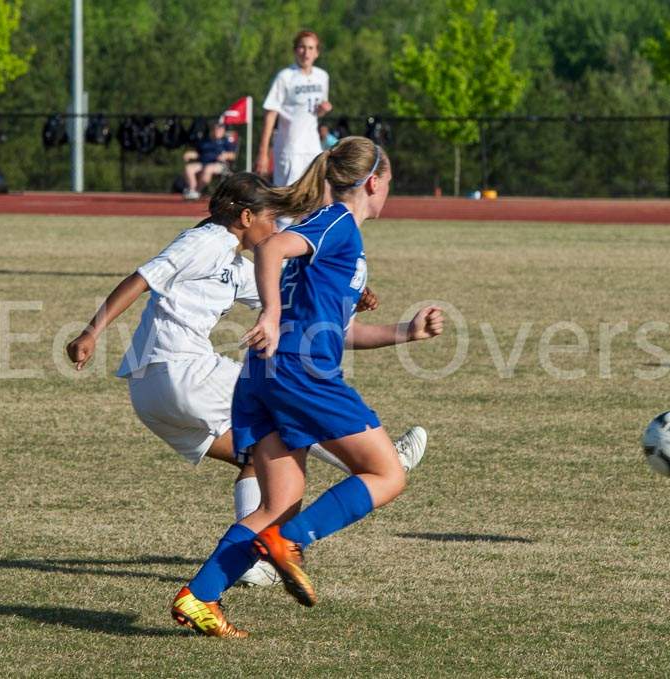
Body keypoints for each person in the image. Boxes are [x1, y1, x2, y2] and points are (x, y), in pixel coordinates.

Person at [65, 171, 428, 588]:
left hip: (152, 397)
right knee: (285, 409)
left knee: (258, 455)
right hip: (181, 371)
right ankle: (383, 460)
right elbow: (141, 279)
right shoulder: (206, 240)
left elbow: (296, 309)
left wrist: (347, 294)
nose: (275, 229)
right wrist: (92, 332)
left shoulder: (239, 267)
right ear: (244, 216)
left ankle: (252, 562)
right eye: (271, 219)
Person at [171, 136, 444, 638]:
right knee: (387, 472)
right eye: (390, 184)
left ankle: (199, 595)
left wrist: (406, 332)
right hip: (301, 373)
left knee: (280, 499)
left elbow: (330, 331)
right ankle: (291, 542)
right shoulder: (337, 221)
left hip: (267, 373)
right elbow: (271, 246)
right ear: (374, 182)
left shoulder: (334, 236)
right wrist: (271, 315)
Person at [255, 30, 332, 187]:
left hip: (312, 145)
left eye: (311, 48)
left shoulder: (322, 76)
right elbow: (270, 114)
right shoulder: (285, 77)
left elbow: (316, 110)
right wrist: (263, 152)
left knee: (315, 193)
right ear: (295, 50)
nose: (306, 52)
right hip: (290, 147)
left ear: (317, 52)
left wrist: (323, 109)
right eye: (302, 47)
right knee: (288, 197)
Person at [183, 122, 237, 200]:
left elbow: (233, 155)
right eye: (216, 129)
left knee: (208, 168)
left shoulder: (226, 141)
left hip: (219, 165)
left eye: (220, 129)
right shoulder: (205, 141)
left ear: (223, 131)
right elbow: (198, 153)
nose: (217, 131)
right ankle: (192, 189)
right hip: (203, 162)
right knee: (189, 168)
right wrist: (190, 154)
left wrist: (226, 155)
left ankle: (197, 191)